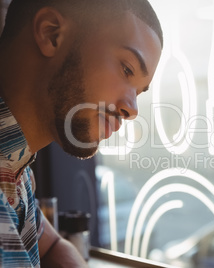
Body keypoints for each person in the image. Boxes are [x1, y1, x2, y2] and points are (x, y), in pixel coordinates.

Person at [0, 0, 163, 267]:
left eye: (138, 92)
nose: (132, 110)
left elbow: (51, 244)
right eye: (127, 69)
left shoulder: (18, 171)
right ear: (51, 34)